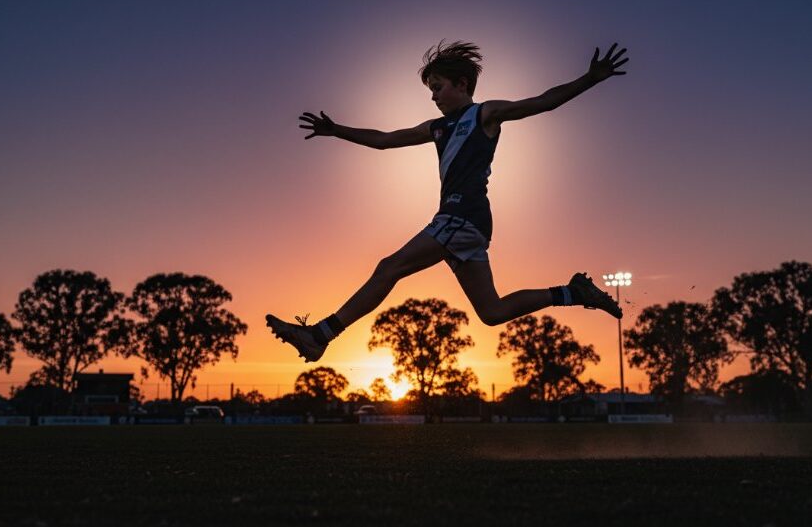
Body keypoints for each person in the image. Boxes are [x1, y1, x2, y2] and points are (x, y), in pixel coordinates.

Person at [267, 40, 629, 362]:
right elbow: (385, 139)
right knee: (492, 311)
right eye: (430, 90)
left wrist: (590, 79)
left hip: (463, 216)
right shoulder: (436, 128)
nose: (434, 96)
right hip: (465, 223)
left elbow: (542, 102)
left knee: (388, 267)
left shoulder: (485, 114)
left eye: (437, 87)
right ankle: (571, 292)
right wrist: (337, 130)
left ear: (462, 84)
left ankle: (320, 336)